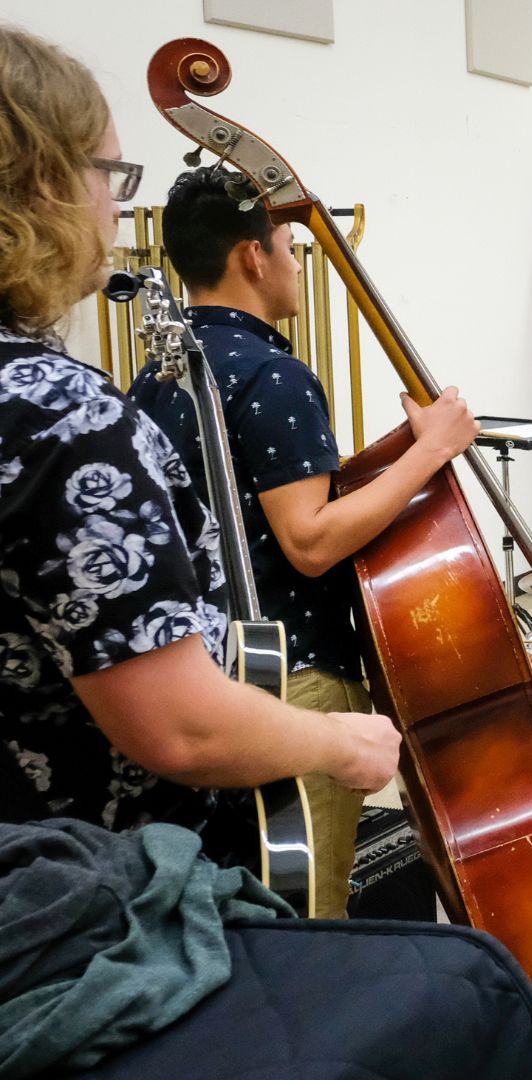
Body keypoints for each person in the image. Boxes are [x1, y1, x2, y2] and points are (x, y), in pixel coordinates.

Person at [0, 25, 400, 843]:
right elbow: (179, 724)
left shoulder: (151, 376)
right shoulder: (60, 413)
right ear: (41, 186)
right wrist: (336, 740)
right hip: (88, 883)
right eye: (109, 175)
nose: (114, 206)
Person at [127, 165, 481, 918]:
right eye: (290, 245)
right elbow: (310, 542)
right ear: (253, 256)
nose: (294, 263)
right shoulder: (272, 373)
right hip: (295, 676)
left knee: (233, 903)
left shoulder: (155, 376)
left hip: (206, 673)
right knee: (304, 913)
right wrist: (430, 451)